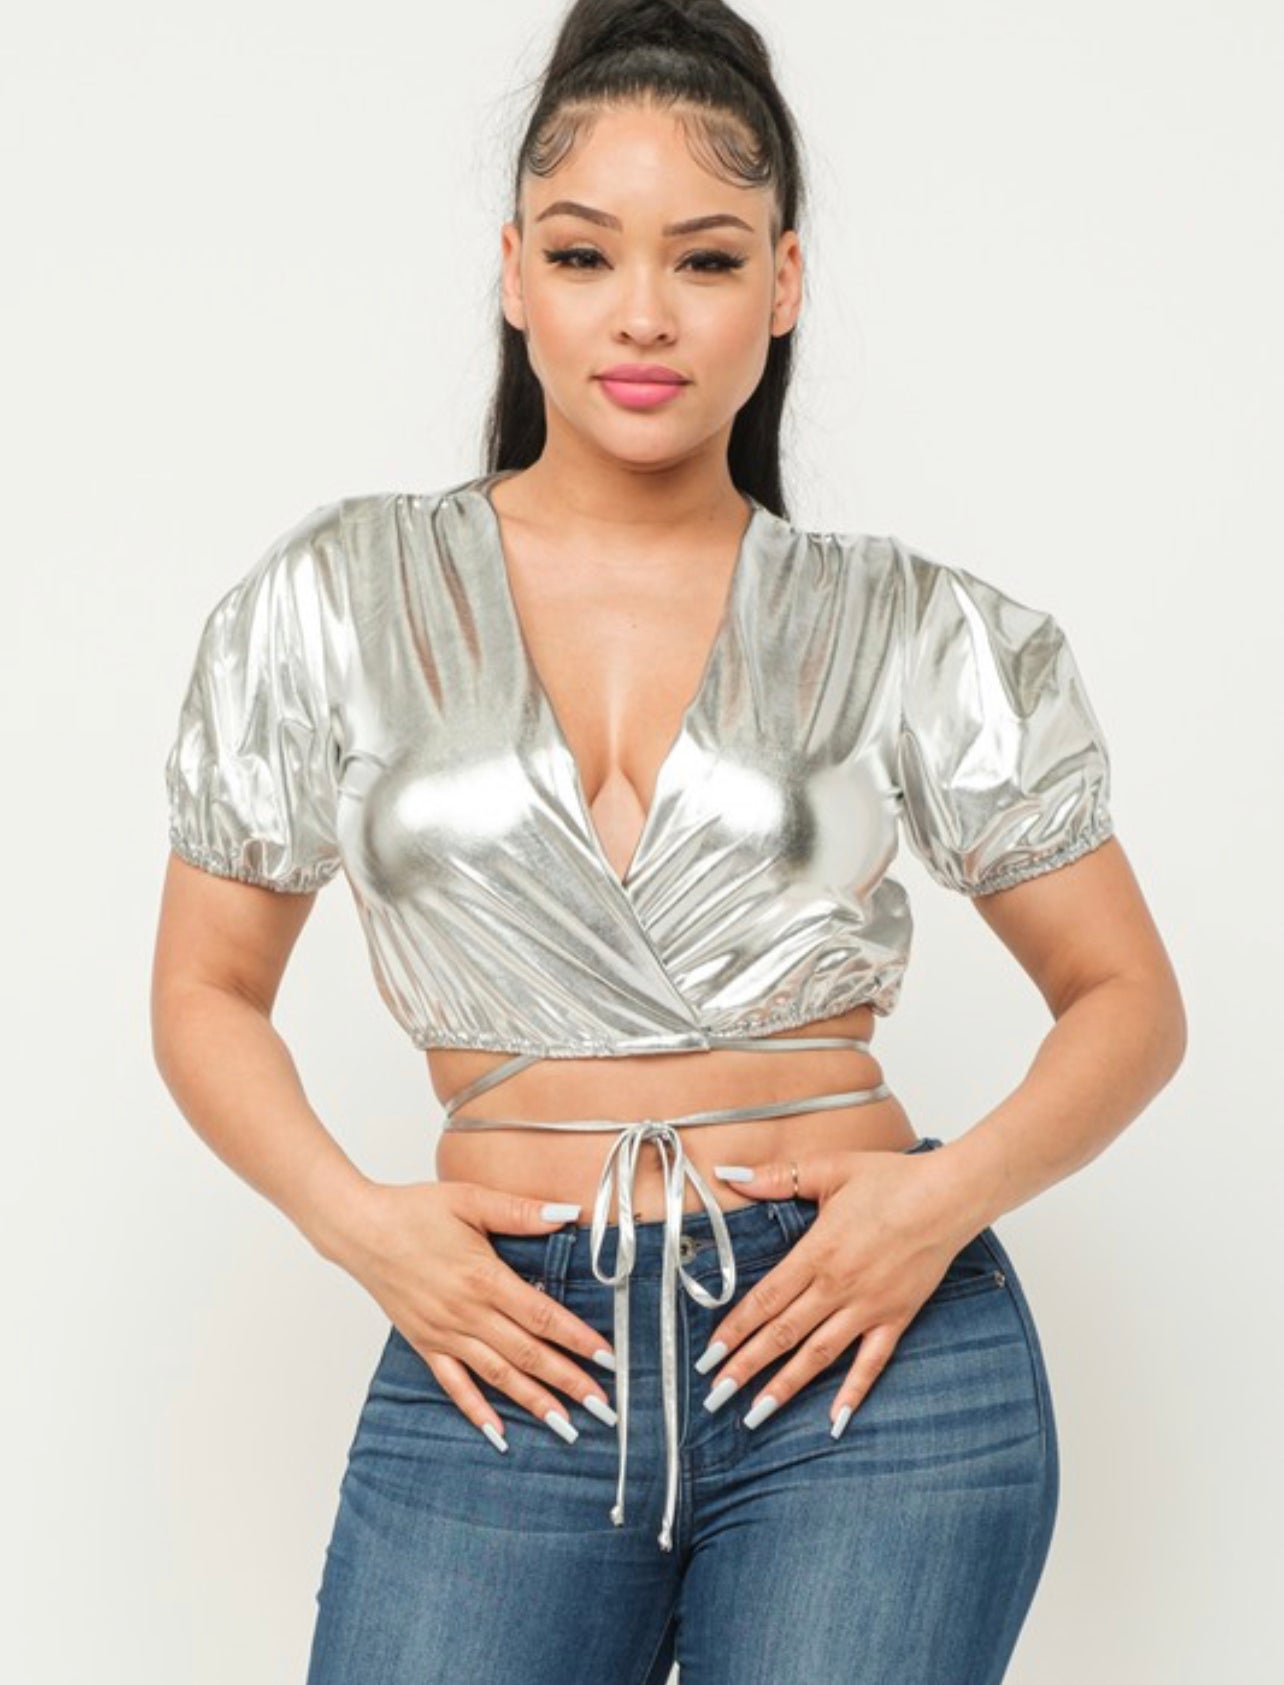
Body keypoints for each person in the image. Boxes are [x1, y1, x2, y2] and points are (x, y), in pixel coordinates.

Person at [151, 2, 1186, 1680]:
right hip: (505, 1335)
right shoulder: (335, 597)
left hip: (862, 1349)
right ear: (513, 274)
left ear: (783, 284)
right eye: (584, 254)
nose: (643, 312)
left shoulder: (908, 623)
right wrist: (360, 1220)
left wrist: (932, 1208)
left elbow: (1128, 997)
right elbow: (206, 988)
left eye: (705, 260)